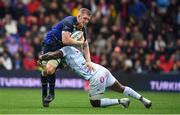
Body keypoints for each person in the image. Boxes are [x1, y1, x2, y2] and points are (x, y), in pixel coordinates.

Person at [38, 46, 152, 108]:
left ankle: (121, 101)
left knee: (95, 103)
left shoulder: (66, 49)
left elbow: (53, 55)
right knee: (121, 88)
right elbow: (60, 65)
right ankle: (143, 100)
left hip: (95, 76)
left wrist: (42, 57)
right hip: (101, 69)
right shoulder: (74, 52)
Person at [39, 8, 92, 107]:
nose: (86, 21)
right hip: (49, 44)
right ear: (79, 16)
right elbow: (66, 40)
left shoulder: (82, 29)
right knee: (45, 72)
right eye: (85, 18)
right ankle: (44, 94)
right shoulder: (69, 22)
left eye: (88, 19)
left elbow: (85, 45)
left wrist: (88, 61)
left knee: (50, 70)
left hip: (60, 48)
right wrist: (79, 42)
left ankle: (51, 94)